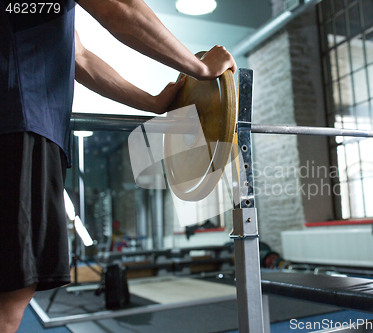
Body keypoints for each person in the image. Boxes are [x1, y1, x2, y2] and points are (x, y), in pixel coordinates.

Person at [0, 0, 237, 331]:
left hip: (19, 122)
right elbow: (119, 9)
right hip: (20, 125)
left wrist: (152, 102)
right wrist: (200, 69)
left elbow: (79, 57)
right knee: (10, 292)